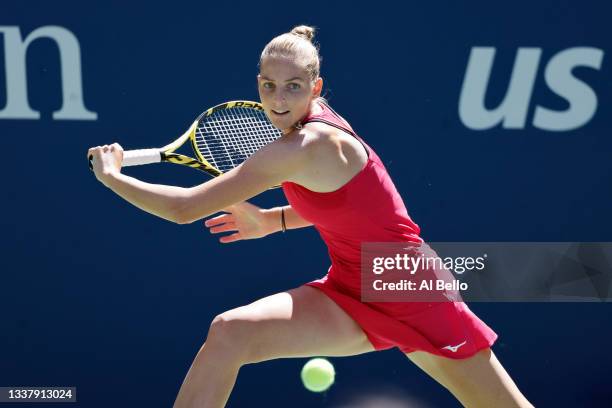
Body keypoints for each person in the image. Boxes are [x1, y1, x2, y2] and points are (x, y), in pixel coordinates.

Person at [88, 25, 533, 408]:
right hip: (348, 287)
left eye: (293, 87)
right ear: (258, 83)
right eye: (268, 86)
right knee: (229, 333)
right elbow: (346, 208)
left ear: (316, 87)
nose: (278, 101)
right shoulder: (305, 132)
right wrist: (271, 221)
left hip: (408, 287)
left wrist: (112, 178)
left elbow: (184, 209)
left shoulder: (302, 149)